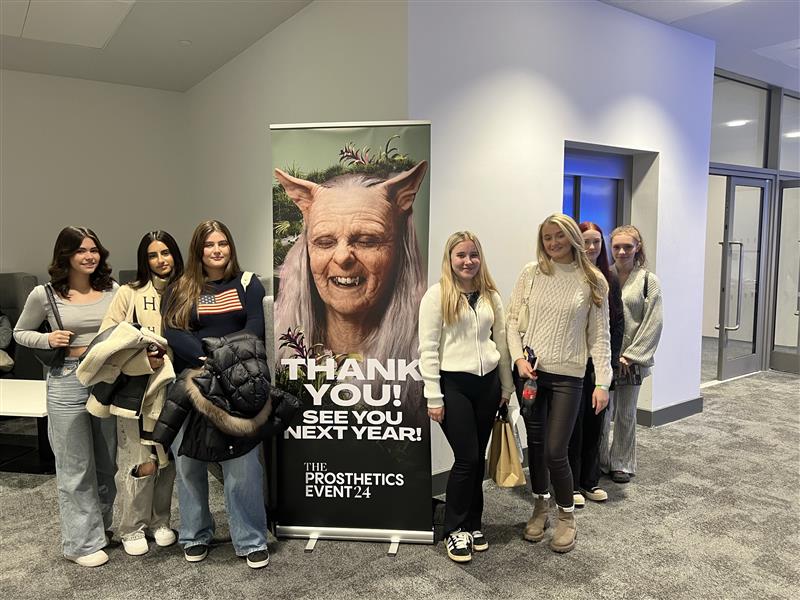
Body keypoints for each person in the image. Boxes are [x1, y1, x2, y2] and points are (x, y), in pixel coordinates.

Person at [273, 163, 428, 417]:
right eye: (324, 242)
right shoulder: (281, 357)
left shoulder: (424, 354)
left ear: (399, 249)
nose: (343, 257)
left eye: (367, 241)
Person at [159, 220, 270, 569]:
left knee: (243, 466)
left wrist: (224, 361)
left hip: (237, 384)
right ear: (198, 251)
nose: (217, 250)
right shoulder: (179, 287)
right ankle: (194, 534)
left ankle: (251, 537)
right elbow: (174, 332)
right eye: (209, 245)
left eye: (223, 243)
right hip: (192, 383)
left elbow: (254, 326)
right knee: (189, 464)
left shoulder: (248, 283)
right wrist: (207, 358)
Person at [505, 213, 612, 554]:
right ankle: (540, 507)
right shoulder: (531, 274)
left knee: (555, 450)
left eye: (559, 237)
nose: (553, 243)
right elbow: (511, 322)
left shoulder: (593, 280)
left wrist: (603, 382)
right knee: (535, 448)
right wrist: (519, 358)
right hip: (532, 374)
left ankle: (566, 516)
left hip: (570, 376)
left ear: (572, 239)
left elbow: (600, 337)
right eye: (547, 237)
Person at [13, 226, 118, 567]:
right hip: (66, 381)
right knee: (75, 466)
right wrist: (48, 340)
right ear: (66, 256)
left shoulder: (112, 290)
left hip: (104, 379)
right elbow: (20, 332)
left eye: (94, 249)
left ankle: (101, 529)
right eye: (81, 251)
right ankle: (80, 543)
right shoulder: (44, 295)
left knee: (106, 464)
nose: (90, 256)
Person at [418, 231, 514, 563]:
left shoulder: (490, 296)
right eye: (461, 255)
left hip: (487, 385)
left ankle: (474, 523)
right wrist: (433, 396)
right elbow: (428, 349)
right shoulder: (436, 296)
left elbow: (501, 344)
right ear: (450, 258)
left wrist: (506, 387)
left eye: (473, 254)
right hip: (452, 385)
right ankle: (455, 530)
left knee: (477, 459)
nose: (468, 261)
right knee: (468, 458)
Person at [99, 231, 184, 555]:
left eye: (166, 252)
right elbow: (110, 338)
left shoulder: (187, 290)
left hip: (175, 390)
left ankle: (160, 520)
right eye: (153, 255)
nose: (161, 260)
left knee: (167, 459)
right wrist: (141, 360)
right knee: (139, 458)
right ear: (143, 260)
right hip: (138, 392)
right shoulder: (130, 293)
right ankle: (132, 526)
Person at [567, 222, 624, 506]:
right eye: (586, 241)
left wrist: (609, 366)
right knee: (573, 426)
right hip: (574, 364)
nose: (591, 248)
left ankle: (590, 481)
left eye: (596, 242)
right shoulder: (571, 276)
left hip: (598, 365)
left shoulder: (608, 279)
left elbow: (617, 324)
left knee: (596, 423)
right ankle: (572, 484)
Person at [603, 224, 663, 484]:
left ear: (638, 247)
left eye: (628, 246)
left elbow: (654, 322)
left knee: (626, 414)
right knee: (602, 413)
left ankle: (622, 464)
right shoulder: (604, 276)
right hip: (605, 357)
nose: (622, 251)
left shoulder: (648, 281)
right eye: (617, 246)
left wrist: (630, 355)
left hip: (631, 362)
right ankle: (600, 461)